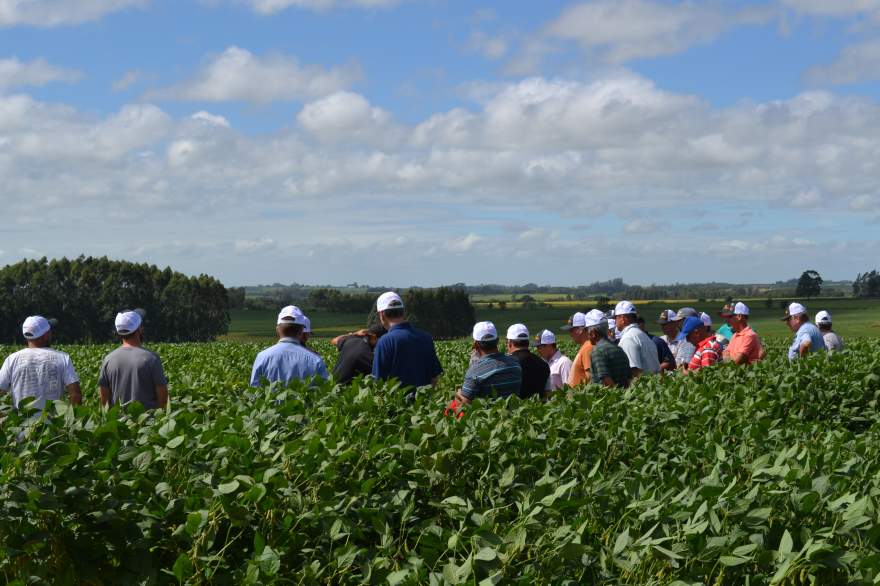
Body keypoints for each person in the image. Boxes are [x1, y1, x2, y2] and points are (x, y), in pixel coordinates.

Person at [0, 316, 81, 412]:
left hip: (22, 423)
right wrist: (70, 421)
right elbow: (75, 394)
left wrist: (4, 420)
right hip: (54, 424)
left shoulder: (11, 359)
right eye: (50, 331)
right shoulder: (62, 358)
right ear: (46, 335)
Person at [372, 292, 443, 395]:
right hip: (423, 404)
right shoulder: (426, 337)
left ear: (382, 315)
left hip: (397, 405)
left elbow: (378, 382)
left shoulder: (385, 341)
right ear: (403, 312)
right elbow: (434, 378)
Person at [99, 309, 168, 409]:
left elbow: (104, 400)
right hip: (149, 422)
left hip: (118, 422)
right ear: (139, 329)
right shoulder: (151, 358)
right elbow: (163, 398)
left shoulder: (108, 359)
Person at [249, 306, 329, 386]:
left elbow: (254, 390)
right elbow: (323, 391)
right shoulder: (315, 360)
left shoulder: (262, 357)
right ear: (301, 331)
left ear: (277, 330)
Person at [454, 321, 521, 404]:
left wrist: (458, 394)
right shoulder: (515, 363)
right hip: (513, 413)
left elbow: (464, 404)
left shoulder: (475, 371)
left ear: (475, 344)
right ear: (497, 341)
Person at [584, 310, 631, 388]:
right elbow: (629, 378)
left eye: (587, 331)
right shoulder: (619, 349)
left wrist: (615, 396)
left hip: (608, 398)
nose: (587, 335)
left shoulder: (598, 351)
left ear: (593, 333)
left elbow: (606, 380)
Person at [614, 301, 661, 377]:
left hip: (643, 387)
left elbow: (635, 372)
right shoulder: (643, 335)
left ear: (622, 319)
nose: (615, 321)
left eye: (615, 317)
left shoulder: (628, 339)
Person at [505, 324, 550, 399]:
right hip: (538, 408)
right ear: (528, 342)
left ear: (509, 343)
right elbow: (547, 392)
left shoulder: (507, 364)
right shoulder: (543, 364)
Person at [561, 312, 592, 387]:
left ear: (580, 330)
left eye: (571, 330)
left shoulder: (587, 347)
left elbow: (590, 376)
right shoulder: (585, 346)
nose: (570, 334)